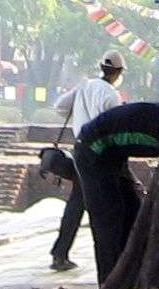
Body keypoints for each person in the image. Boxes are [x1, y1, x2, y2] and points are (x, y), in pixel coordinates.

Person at [47, 52, 127, 271]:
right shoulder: (111, 95)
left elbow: (60, 107)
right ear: (118, 73)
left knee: (78, 202)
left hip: (80, 150)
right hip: (100, 156)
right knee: (102, 208)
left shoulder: (84, 86)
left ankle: (60, 253)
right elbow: (116, 127)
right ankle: (108, 257)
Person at [69, 100, 159, 280]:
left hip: (114, 155)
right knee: (108, 219)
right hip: (93, 150)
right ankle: (109, 281)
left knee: (132, 212)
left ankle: (129, 276)